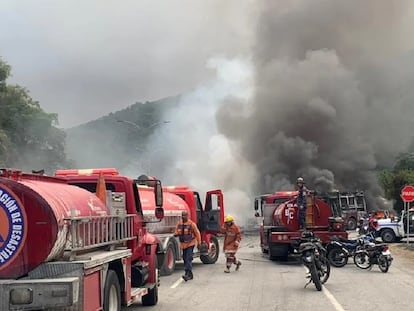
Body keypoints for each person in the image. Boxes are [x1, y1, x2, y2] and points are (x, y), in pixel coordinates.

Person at [174, 210, 201, 281]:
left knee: (188, 258)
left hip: (190, 243)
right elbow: (176, 231)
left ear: (187, 216)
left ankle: (187, 274)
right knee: (185, 259)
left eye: (185, 215)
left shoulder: (192, 224)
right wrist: (176, 233)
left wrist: (199, 243)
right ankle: (190, 274)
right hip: (183, 245)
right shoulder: (179, 224)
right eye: (182, 215)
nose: (183, 217)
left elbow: (197, 233)